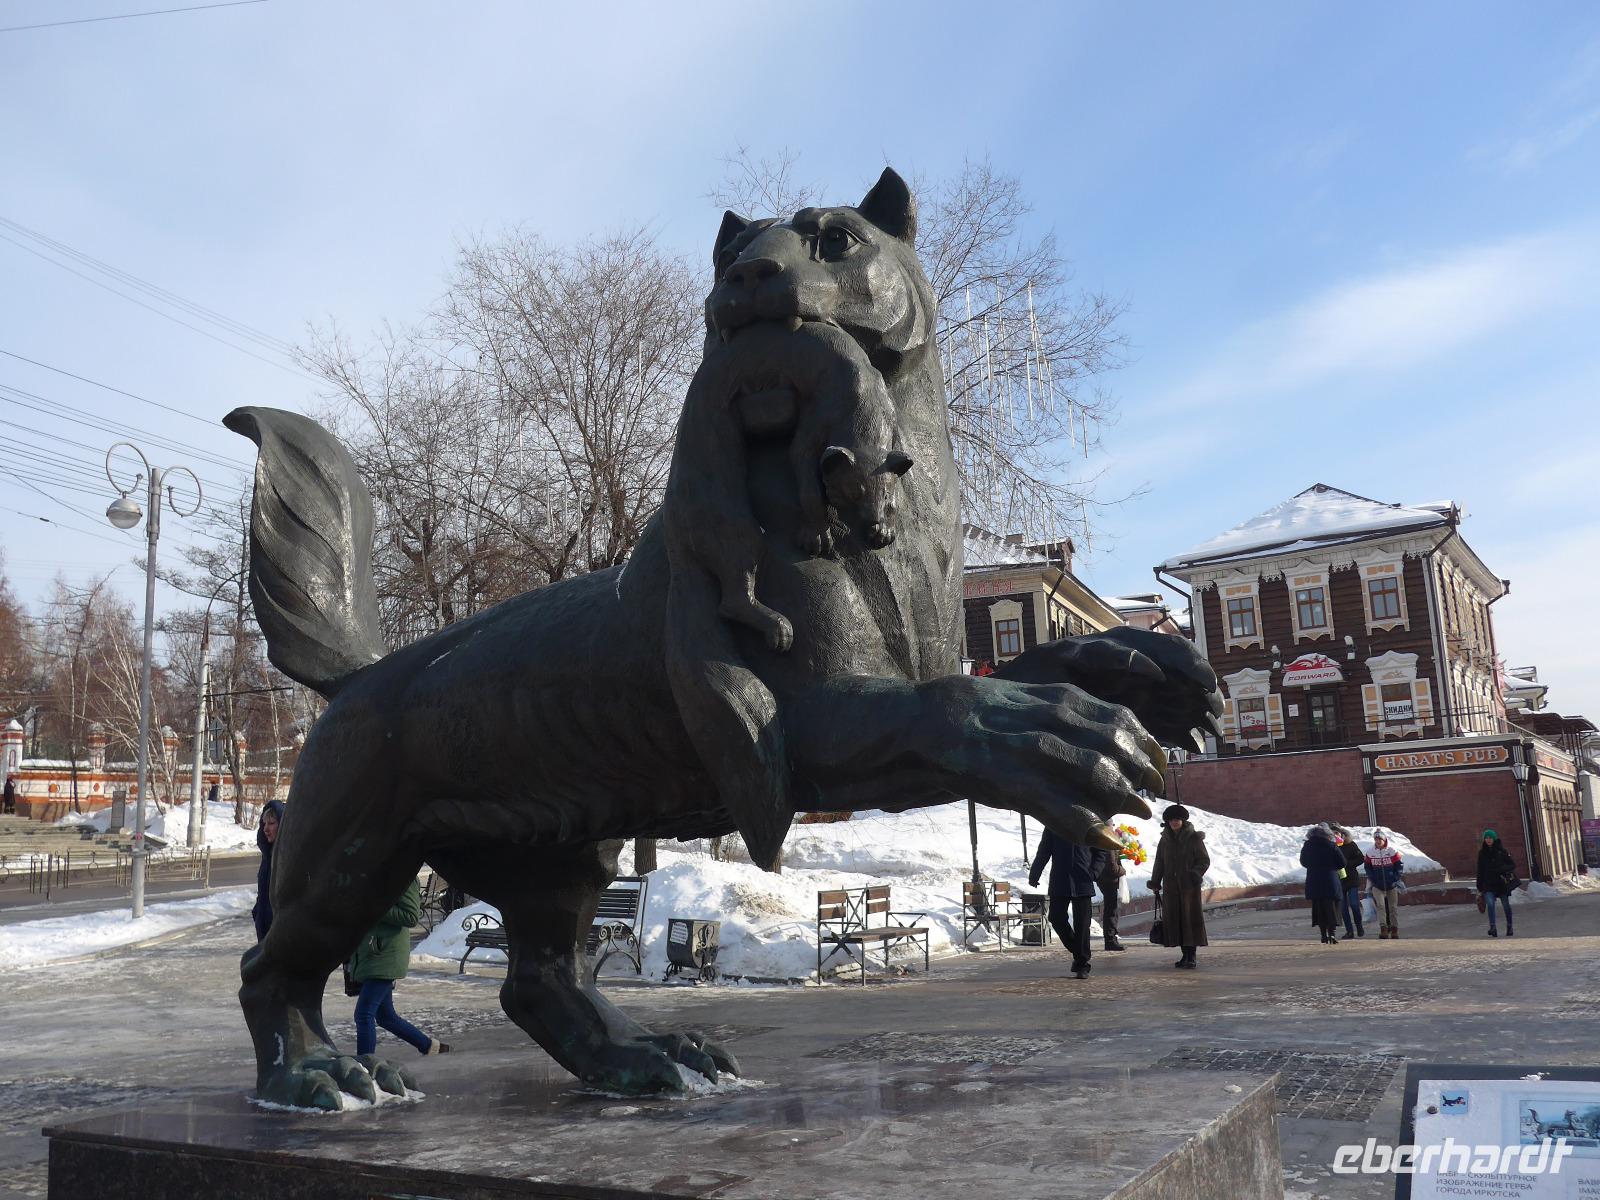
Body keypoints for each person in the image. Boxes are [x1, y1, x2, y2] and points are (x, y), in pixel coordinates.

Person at [349, 876, 450, 1058]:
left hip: (386, 954)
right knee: (386, 1017)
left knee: (363, 1014)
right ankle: (429, 1046)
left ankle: (365, 1065)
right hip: (373, 953)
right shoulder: (375, 874)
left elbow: (411, 916)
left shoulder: (404, 877)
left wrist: (373, 906)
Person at [1029, 828, 1110, 978]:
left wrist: (1093, 873)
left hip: (1083, 881)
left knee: (1082, 924)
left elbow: (1101, 852)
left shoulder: (1088, 823)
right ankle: (1079, 951)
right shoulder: (1053, 824)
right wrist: (1034, 873)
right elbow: (1044, 851)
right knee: (1056, 918)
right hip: (1060, 880)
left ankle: (1082, 965)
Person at [1147, 804, 1209, 968]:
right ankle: (1184, 956)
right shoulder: (1165, 840)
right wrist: (1155, 882)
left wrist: (1193, 875)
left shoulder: (1193, 838)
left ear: (1182, 820)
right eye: (1171, 820)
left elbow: (1204, 861)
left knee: (1189, 920)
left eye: (1177, 819)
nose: (1174, 822)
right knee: (1176, 922)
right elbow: (1159, 862)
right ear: (1167, 822)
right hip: (1171, 888)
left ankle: (1192, 956)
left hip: (1189, 888)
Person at [1301, 824, 1346, 944]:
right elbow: (1342, 862)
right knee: (1332, 908)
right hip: (1330, 880)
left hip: (1314, 880)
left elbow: (1303, 862)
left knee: (1319, 908)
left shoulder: (1307, 845)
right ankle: (1332, 934)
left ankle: (1323, 935)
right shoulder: (1331, 845)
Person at [251, 799, 285, 942]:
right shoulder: (268, 856)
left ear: (283, 826)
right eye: (264, 824)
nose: (265, 829)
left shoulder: (287, 856)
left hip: (284, 938)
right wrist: (258, 912)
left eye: (271, 823)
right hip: (266, 936)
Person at [1476, 830, 1518, 938]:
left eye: (1490, 838)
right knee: (1490, 904)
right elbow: (1480, 870)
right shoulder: (1482, 853)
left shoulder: (1502, 851)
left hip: (1501, 883)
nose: (1488, 840)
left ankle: (1509, 926)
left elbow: (1512, 865)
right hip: (1488, 883)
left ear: (1494, 839)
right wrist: (1479, 886)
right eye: (1487, 838)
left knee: (1505, 905)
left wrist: (1502, 869)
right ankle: (1493, 927)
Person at [1364, 828, 1405, 939]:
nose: (1378, 842)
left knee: (1393, 908)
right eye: (1376, 839)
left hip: (1391, 884)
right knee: (1381, 906)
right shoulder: (1370, 852)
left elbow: (1399, 866)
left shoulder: (1392, 850)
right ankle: (1384, 929)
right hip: (1377, 885)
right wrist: (1373, 878)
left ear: (1384, 839)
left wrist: (1395, 877)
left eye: (1380, 839)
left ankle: (1394, 929)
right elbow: (1367, 867)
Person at [1334, 826, 1366, 939]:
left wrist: (1348, 864)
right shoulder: (1333, 847)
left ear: (1342, 834)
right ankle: (1349, 931)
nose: (1335, 835)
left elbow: (1361, 858)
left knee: (1354, 904)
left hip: (1352, 879)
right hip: (1339, 881)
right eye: (1333, 833)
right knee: (1343, 908)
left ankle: (1359, 926)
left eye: (1337, 833)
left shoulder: (1351, 845)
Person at [1097, 847, 1126, 952]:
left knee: (1111, 909)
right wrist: (1122, 870)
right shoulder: (1107, 843)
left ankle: (1111, 939)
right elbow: (1112, 867)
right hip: (1109, 879)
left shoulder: (1105, 840)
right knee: (1111, 911)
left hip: (1105, 879)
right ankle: (1110, 940)